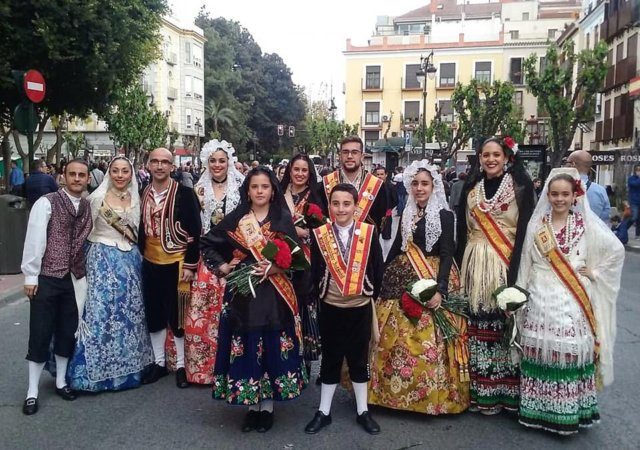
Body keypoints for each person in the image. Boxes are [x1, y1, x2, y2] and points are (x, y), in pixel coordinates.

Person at [516, 168, 624, 434]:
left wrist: (594, 272)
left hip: (571, 295)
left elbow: (617, 250)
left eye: (565, 194)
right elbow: (526, 262)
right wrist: (520, 295)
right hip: (540, 293)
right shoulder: (537, 225)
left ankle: (569, 411)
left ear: (575, 195)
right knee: (540, 350)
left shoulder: (585, 224)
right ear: (548, 196)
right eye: (554, 194)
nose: (559, 199)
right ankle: (538, 410)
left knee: (569, 349)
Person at [201, 167, 307, 433]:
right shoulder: (237, 219)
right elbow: (207, 243)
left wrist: (274, 268)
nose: (260, 191)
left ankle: (268, 407)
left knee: (271, 344)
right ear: (247, 190)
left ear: (273, 191)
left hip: (274, 295)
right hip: (243, 296)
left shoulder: (282, 218)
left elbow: (298, 259)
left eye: (265, 187)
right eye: (255, 187)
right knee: (247, 345)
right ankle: (251, 406)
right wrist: (224, 268)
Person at [369, 161, 469, 415]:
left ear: (434, 186)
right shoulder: (407, 214)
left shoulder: (445, 216)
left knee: (425, 335)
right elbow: (397, 248)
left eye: (424, 184)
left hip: (432, 275)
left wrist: (441, 289)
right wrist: (379, 275)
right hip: (404, 274)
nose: (419, 188)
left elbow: (447, 254)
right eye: (415, 183)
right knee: (391, 333)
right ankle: (388, 394)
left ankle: (427, 396)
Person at [455, 136, 534, 415]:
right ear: (480, 158)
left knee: (502, 323)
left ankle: (506, 393)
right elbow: (463, 230)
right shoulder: (472, 188)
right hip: (475, 262)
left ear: (506, 157)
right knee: (477, 322)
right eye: (486, 155)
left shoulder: (520, 187)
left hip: (504, 261)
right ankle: (481, 393)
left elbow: (525, 230)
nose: (490, 159)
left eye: (496, 155)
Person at [67, 156, 153, 392]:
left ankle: (127, 369)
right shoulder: (96, 199)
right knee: (101, 312)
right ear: (109, 173)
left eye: (125, 171)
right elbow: (83, 232)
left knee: (130, 313)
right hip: (101, 259)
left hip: (131, 262)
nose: (120, 175)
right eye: (115, 170)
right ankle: (94, 372)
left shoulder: (137, 198)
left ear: (131, 174)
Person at [305, 184, 384, 435]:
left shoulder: (369, 233)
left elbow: (377, 269)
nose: (341, 209)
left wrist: (370, 291)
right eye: (336, 203)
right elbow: (315, 269)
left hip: (360, 307)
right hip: (331, 307)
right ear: (330, 207)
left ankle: (363, 411)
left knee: (359, 359)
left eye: (346, 204)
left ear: (355, 206)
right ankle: (324, 411)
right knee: (331, 358)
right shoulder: (321, 235)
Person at [20, 159, 93, 415]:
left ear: (87, 179)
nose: (76, 178)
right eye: (72, 174)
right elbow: (35, 239)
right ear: (63, 177)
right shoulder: (47, 202)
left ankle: (61, 382)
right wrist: (30, 276)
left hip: (74, 280)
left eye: (81, 175)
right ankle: (32, 392)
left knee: (67, 331)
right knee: (40, 333)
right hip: (48, 277)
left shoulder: (86, 206)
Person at [138, 148, 202, 388]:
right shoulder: (143, 192)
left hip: (176, 262)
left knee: (178, 315)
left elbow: (195, 230)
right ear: (148, 165)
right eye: (155, 162)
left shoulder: (185, 194)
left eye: (165, 162)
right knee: (154, 313)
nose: (160, 166)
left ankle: (182, 366)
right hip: (149, 260)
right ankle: (159, 363)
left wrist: (190, 264)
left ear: (172, 166)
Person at [185, 139, 244, 385]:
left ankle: (234, 367)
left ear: (229, 162)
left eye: (222, 161)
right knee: (204, 312)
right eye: (212, 161)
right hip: (207, 256)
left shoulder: (241, 187)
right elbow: (194, 225)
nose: (217, 165)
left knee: (233, 312)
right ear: (206, 163)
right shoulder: (198, 190)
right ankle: (204, 370)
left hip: (235, 255)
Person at [280, 153, 323, 375]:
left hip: (307, 259)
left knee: (307, 306)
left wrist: (306, 233)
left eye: (304, 170)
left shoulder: (316, 195)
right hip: (282, 258)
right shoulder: (279, 193)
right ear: (289, 170)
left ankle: (306, 359)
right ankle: (286, 355)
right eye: (296, 169)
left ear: (309, 173)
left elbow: (323, 229)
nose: (299, 174)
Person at [318, 136, 387, 230]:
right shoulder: (325, 183)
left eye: (354, 152)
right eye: (345, 152)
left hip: (365, 242)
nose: (349, 156)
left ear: (362, 156)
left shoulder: (378, 186)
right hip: (333, 242)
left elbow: (379, 222)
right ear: (340, 155)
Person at [566, 150, 611, 223]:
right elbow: (605, 218)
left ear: (572, 164)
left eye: (566, 162)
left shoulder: (558, 188)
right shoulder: (600, 190)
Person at [373, 165, 398, 241]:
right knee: (374, 236)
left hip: (387, 215)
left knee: (386, 236)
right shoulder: (372, 187)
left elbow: (395, 201)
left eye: (381, 174)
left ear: (386, 175)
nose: (379, 176)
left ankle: (386, 252)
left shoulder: (391, 187)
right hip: (374, 216)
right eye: (377, 174)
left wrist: (388, 210)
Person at [627, 164, 640, 239]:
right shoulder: (631, 179)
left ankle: (637, 234)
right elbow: (635, 184)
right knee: (634, 217)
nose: (639, 171)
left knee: (639, 218)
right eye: (638, 170)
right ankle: (624, 228)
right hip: (634, 201)